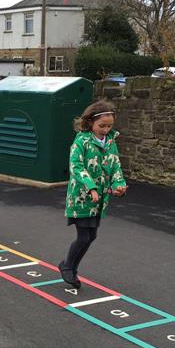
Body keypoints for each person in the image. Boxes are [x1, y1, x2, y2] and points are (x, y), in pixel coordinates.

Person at [60, 99, 128, 288]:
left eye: (109, 126)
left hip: (100, 198)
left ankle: (71, 268)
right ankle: (67, 266)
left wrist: (119, 184)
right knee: (83, 236)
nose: (105, 129)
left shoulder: (110, 141)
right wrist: (90, 186)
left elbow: (115, 165)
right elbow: (76, 165)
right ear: (90, 122)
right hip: (82, 197)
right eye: (102, 126)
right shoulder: (82, 140)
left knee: (91, 236)